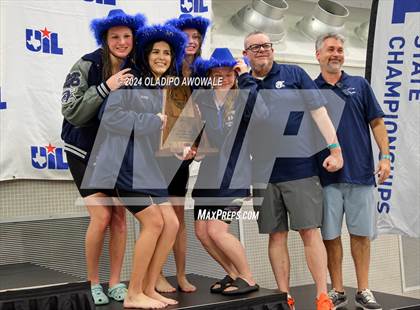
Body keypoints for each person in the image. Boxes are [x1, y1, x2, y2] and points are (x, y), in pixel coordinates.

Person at [238, 31, 343, 310]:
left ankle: (323, 295)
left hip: (300, 169)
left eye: (265, 45)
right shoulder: (243, 84)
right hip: (263, 173)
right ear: (246, 53)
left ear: (272, 49)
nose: (261, 50)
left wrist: (335, 149)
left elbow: (319, 112)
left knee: (310, 232)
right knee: (276, 235)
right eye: (254, 47)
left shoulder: (294, 74)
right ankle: (284, 297)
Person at [87, 24, 188, 309]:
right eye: (155, 52)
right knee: (154, 222)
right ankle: (133, 294)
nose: (161, 57)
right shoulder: (132, 79)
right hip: (124, 163)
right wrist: (152, 122)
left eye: (167, 53)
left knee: (171, 223)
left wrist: (175, 147)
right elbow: (110, 117)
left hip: (146, 165)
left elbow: (152, 130)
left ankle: (147, 286)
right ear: (145, 55)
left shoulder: (158, 86)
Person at [60, 9, 145, 305]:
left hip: (114, 152)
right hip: (83, 150)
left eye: (126, 36)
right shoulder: (85, 64)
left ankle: (115, 281)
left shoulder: (138, 67)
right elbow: (72, 112)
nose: (122, 42)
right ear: (104, 38)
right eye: (115, 37)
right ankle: (93, 281)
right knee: (102, 214)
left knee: (120, 216)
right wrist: (107, 86)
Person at [314, 33, 390, 310]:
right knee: (330, 236)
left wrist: (385, 157)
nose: (336, 54)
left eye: (340, 50)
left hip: (360, 175)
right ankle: (337, 290)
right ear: (318, 55)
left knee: (360, 235)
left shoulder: (360, 84)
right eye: (330, 49)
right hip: (325, 179)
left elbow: (378, 123)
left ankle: (363, 289)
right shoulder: (311, 90)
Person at [192, 48, 259, 295]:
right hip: (209, 175)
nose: (223, 78)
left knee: (217, 231)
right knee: (202, 232)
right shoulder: (202, 100)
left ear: (235, 74)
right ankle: (233, 274)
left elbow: (262, 114)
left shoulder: (243, 96)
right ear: (210, 75)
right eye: (217, 73)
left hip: (235, 175)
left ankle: (248, 278)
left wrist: (247, 77)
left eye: (229, 73)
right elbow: (199, 136)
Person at [152, 14, 211, 294]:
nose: (192, 41)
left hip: (183, 157)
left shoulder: (200, 74)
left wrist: (196, 145)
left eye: (196, 37)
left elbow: (201, 114)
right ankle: (156, 274)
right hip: (159, 154)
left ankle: (181, 274)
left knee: (178, 216)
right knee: (160, 218)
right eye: (186, 36)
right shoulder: (166, 70)